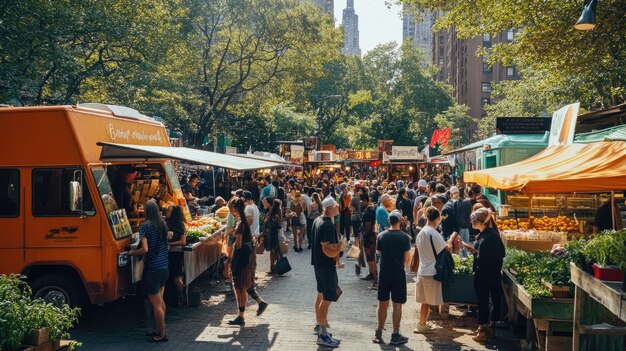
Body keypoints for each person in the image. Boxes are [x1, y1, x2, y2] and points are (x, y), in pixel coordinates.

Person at [128, 199, 169, 342]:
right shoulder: (163, 225)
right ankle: (161, 328)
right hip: (164, 267)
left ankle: (162, 334)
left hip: (153, 269)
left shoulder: (145, 226)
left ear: (146, 211)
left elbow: (145, 249)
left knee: (156, 305)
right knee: (160, 301)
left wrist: (131, 253)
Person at [463, 207, 506, 342]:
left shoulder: (489, 237)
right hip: (489, 273)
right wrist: (474, 251)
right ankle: (489, 328)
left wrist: (476, 253)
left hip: (485, 274)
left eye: (474, 220)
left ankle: (482, 331)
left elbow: (492, 256)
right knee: (490, 300)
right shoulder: (487, 235)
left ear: (482, 221)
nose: (472, 223)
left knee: (483, 302)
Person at [414, 206, 458, 333]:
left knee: (425, 302)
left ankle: (422, 324)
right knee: (428, 301)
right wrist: (452, 238)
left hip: (422, 271)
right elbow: (447, 249)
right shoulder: (433, 233)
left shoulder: (421, 232)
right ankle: (422, 325)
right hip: (431, 271)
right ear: (438, 218)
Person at [373, 210, 412, 345]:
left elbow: (378, 253)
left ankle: (379, 331)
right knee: (397, 305)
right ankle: (395, 334)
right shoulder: (404, 237)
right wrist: (403, 266)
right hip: (398, 272)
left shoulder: (382, 236)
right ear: (400, 221)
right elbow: (407, 258)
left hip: (384, 272)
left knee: (382, 303)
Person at [229, 198, 268, 326]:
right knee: (246, 284)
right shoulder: (243, 221)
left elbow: (239, 245)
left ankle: (241, 316)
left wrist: (231, 255)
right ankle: (258, 304)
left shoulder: (241, 224)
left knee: (240, 286)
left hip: (242, 259)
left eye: (231, 208)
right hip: (248, 257)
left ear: (235, 209)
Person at [311, 196, 343, 348]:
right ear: (330, 207)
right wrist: (340, 248)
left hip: (318, 265)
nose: (338, 206)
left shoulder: (318, 220)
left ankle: (320, 326)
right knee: (328, 298)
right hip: (326, 266)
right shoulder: (328, 225)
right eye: (336, 205)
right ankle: (323, 334)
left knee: (322, 294)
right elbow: (327, 249)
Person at [166, 205, 187, 307]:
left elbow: (183, 241)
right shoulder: (168, 223)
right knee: (172, 276)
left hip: (176, 253)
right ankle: (174, 299)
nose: (167, 213)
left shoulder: (179, 224)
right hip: (169, 253)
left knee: (176, 276)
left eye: (169, 212)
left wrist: (170, 244)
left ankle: (181, 299)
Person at [360, 193, 378, 289]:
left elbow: (367, 227)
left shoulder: (367, 212)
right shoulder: (372, 210)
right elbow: (376, 224)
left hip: (368, 238)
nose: (361, 203)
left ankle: (376, 281)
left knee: (371, 260)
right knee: (371, 259)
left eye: (362, 201)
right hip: (372, 238)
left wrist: (364, 236)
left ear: (367, 201)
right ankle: (373, 276)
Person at [261, 197, 281, 273]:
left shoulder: (274, 211)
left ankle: (274, 267)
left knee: (274, 251)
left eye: (264, 202)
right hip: (270, 234)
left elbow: (274, 223)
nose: (263, 203)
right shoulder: (270, 211)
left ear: (268, 203)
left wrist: (264, 232)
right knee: (273, 251)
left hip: (273, 234)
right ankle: (273, 267)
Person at [223, 197, 239, 280]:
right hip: (233, 236)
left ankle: (229, 274)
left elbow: (234, 227)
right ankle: (228, 274)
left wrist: (226, 234)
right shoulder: (233, 213)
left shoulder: (237, 216)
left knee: (230, 257)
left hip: (234, 237)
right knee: (229, 257)